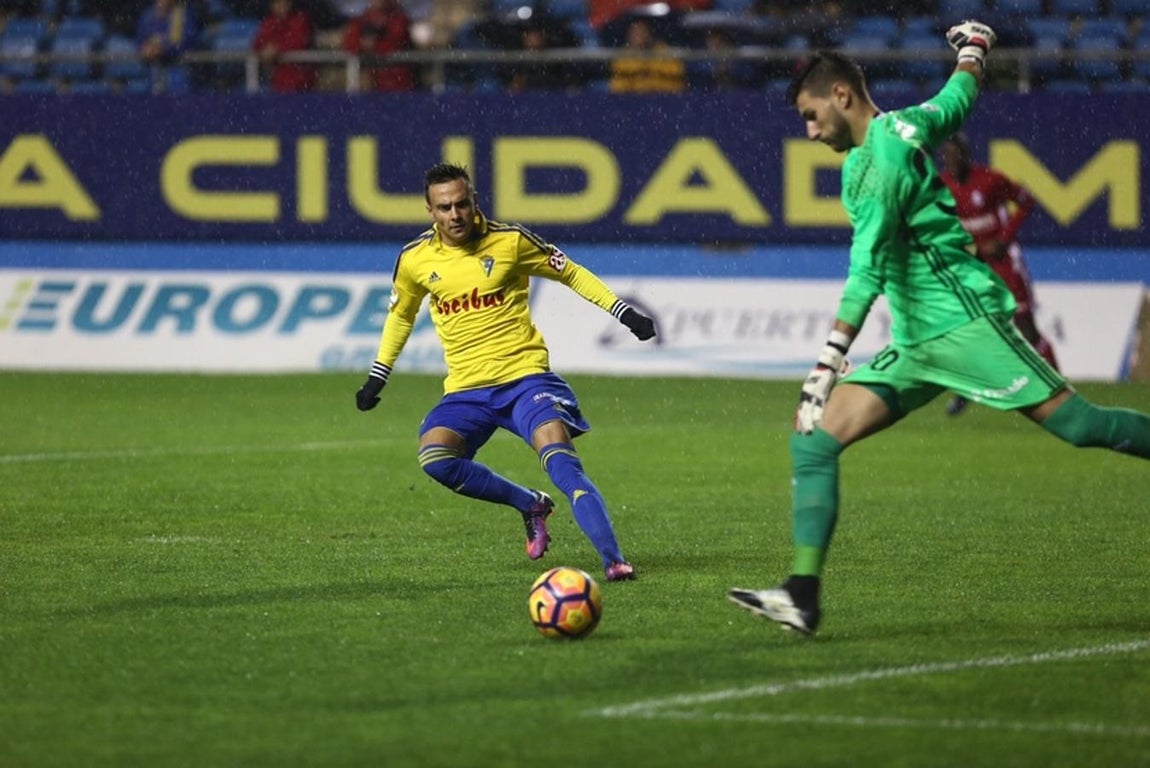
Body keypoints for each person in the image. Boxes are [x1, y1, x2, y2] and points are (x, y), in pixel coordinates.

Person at [727, 22, 1150, 635]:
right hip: (919, 343)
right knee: (814, 440)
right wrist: (973, 51)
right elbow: (954, 102)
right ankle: (802, 593)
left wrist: (827, 361)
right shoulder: (901, 128)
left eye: (811, 114)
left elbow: (866, 270)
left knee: (1080, 425)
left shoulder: (884, 160)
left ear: (841, 95)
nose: (810, 130)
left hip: (965, 323)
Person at [354, 163, 657, 582]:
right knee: (435, 459)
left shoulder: (511, 242)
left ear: (474, 202)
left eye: (462, 204)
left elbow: (568, 271)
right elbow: (401, 315)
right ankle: (529, 503)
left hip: (526, 380)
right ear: (430, 211)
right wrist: (378, 375)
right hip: (467, 391)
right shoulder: (414, 260)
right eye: (444, 208)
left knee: (563, 465)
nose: (455, 215)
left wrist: (623, 312)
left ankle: (614, 560)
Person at [939, 131, 1059, 415]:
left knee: (1025, 326)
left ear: (966, 155)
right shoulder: (941, 186)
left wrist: (1004, 238)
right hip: (972, 267)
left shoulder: (990, 180)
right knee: (967, 328)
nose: (951, 161)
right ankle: (966, 390)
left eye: (955, 155)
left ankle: (1056, 384)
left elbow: (1026, 200)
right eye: (946, 156)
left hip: (1004, 263)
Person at [341, 0, 416, 92]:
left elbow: (395, 42)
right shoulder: (363, 19)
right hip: (370, 85)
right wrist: (362, 44)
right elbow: (349, 43)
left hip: (397, 85)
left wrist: (375, 44)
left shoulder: (398, 18)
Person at [252, 0, 316, 93]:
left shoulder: (301, 19)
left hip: (301, 81)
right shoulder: (269, 22)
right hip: (277, 81)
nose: (282, 7)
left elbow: (299, 41)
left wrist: (277, 49)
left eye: (285, 3)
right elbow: (257, 44)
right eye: (278, 3)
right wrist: (264, 50)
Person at [608, 17, 685, 94]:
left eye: (642, 32)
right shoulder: (623, 56)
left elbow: (675, 84)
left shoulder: (666, 53)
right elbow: (618, 87)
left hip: (662, 98)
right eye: (635, 33)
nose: (638, 37)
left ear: (650, 34)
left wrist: (650, 86)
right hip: (631, 99)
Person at [136, 0, 197, 93]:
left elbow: (188, 41)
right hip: (151, 65)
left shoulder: (183, 14)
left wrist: (164, 49)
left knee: (178, 83)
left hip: (178, 63)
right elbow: (140, 40)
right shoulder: (148, 16)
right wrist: (144, 48)